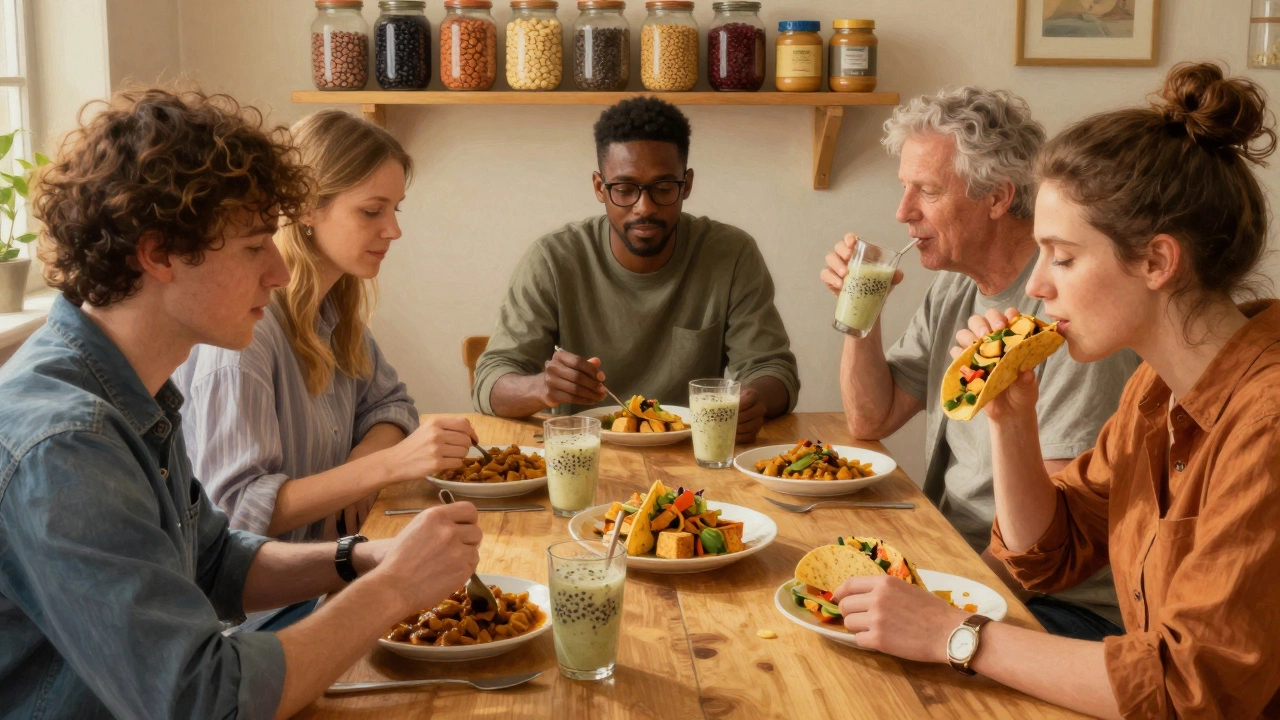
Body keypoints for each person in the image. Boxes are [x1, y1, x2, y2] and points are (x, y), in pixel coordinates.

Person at [0, 89, 482, 720]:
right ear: (158, 253)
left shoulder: (134, 388)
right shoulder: (68, 443)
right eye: (256, 245)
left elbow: (216, 560)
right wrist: (394, 590)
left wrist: (362, 557)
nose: (280, 272)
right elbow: (204, 701)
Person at [829, 62, 1280, 719]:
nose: (1037, 286)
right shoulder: (1156, 389)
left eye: (1063, 257)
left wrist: (954, 636)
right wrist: (1013, 421)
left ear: (1157, 262)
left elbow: (1187, 688)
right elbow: (1051, 553)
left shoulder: (1264, 420)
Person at [820, 86, 1139, 639]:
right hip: (961, 563)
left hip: (1059, 606)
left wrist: (932, 606)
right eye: (904, 188)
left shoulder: (1069, 323)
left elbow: (1043, 551)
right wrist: (860, 312)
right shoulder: (953, 288)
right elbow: (872, 419)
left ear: (997, 198)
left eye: (927, 191)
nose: (903, 213)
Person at [175, 109, 476, 547]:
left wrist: (361, 465)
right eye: (372, 211)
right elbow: (237, 513)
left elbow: (392, 405)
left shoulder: (334, 313)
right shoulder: (247, 336)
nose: (393, 230)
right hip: (271, 609)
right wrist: (381, 469)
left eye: (394, 209)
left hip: (332, 568)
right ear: (306, 210)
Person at [473, 96, 799, 443]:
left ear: (686, 184)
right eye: (625, 189)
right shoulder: (554, 258)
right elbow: (491, 380)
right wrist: (541, 387)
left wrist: (753, 401)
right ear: (600, 187)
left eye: (663, 188)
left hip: (693, 453)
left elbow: (773, 370)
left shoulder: (731, 254)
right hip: (585, 454)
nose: (644, 208)